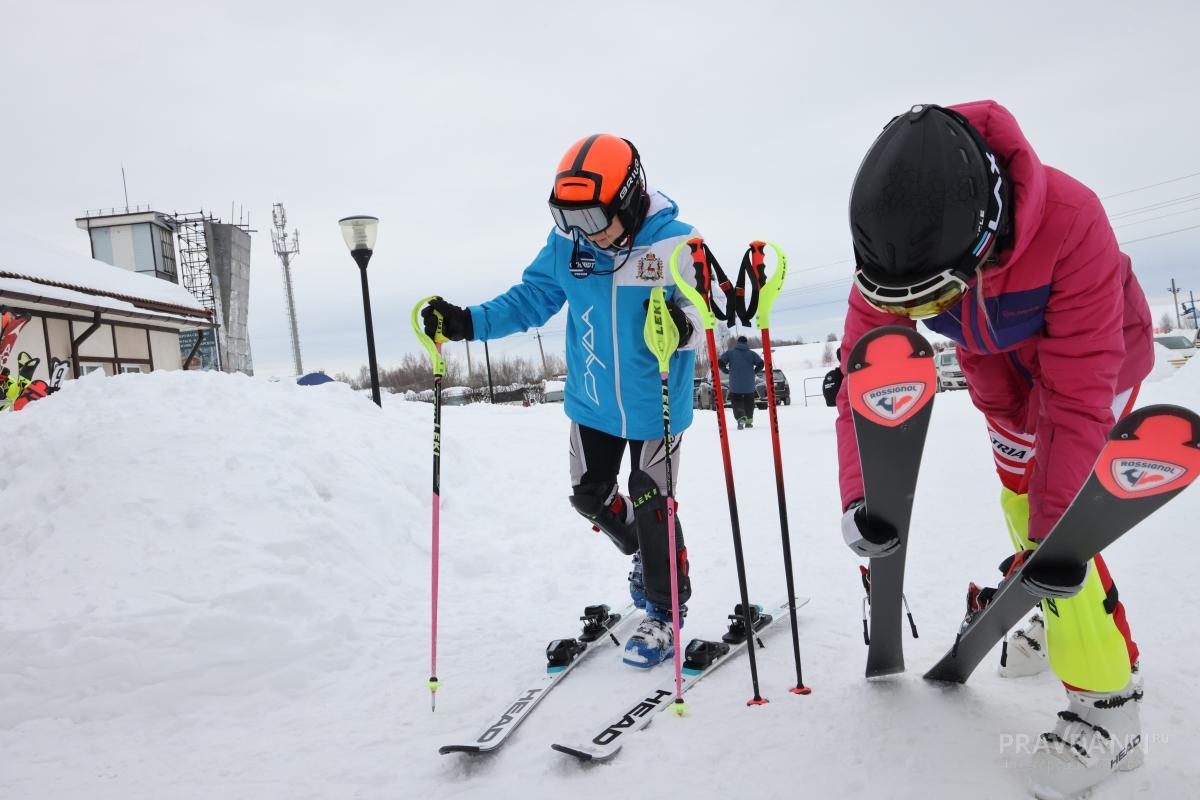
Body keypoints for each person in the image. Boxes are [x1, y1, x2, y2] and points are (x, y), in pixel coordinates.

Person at [835, 101, 1153, 797]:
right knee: (1018, 499)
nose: (918, 314)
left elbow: (1075, 397)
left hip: (1097, 363)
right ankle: (1053, 607)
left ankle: (1109, 707)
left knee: (1059, 527)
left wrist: (1054, 541)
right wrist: (861, 494)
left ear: (983, 240)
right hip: (998, 373)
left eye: (931, 301)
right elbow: (865, 372)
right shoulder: (897, 243)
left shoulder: (1072, 220)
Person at [420, 134, 704, 668]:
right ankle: (645, 552)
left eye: (592, 218)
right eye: (567, 219)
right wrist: (467, 322)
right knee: (590, 497)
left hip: (655, 405)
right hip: (592, 401)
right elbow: (530, 299)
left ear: (628, 198)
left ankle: (665, 610)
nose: (583, 233)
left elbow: (706, 315)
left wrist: (682, 327)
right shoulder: (568, 246)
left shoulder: (678, 244)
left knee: (651, 498)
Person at [718, 335, 764, 428]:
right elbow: (761, 364)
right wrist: (754, 371)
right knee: (749, 402)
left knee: (736, 401)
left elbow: (720, 362)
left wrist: (725, 370)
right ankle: (749, 421)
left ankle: (740, 418)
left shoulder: (730, 353)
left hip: (735, 384)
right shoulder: (752, 354)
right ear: (746, 343)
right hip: (749, 385)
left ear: (737, 343)